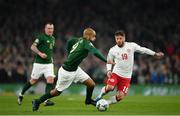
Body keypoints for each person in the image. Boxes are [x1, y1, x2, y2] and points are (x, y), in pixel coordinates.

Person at [31, 27, 115, 111]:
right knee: (56, 92)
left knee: (91, 84)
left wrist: (69, 53)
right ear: (89, 36)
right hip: (66, 72)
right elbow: (95, 52)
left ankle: (88, 100)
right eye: (94, 36)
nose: (95, 38)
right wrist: (106, 60)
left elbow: (70, 41)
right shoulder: (86, 43)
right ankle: (37, 101)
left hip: (76, 69)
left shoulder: (79, 40)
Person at [95, 30, 164, 105]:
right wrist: (108, 70)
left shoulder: (131, 46)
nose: (118, 40)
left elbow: (143, 50)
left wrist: (155, 54)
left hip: (126, 77)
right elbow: (109, 61)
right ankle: (99, 96)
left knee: (120, 96)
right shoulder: (112, 50)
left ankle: (106, 103)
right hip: (116, 73)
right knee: (110, 88)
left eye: (120, 38)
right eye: (117, 38)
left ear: (124, 38)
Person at [17, 22, 56, 106]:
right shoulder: (41, 37)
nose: (50, 30)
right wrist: (40, 54)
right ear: (45, 29)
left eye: (51, 28)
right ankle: (21, 94)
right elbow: (32, 47)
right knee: (33, 81)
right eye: (48, 28)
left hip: (49, 64)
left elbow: (49, 50)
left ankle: (46, 100)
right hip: (39, 64)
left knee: (50, 80)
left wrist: (51, 58)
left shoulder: (53, 38)